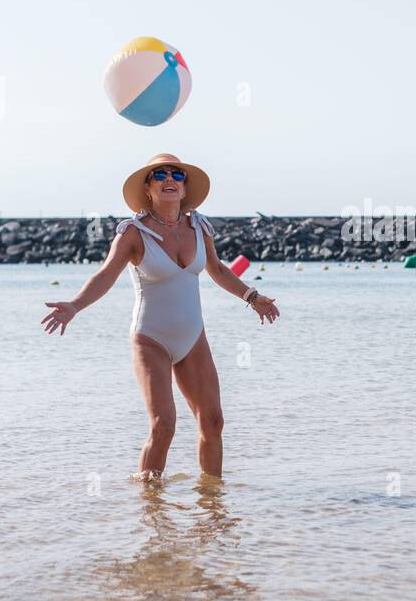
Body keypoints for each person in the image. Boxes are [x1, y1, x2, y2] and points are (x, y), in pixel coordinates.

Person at [41, 153, 280, 480]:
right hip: (150, 339)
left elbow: (218, 270)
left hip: (192, 338)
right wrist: (75, 305)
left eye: (177, 175)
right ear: (148, 188)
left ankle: (212, 504)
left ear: (184, 189)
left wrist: (252, 296)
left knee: (213, 422)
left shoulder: (199, 227)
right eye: (160, 175)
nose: (169, 179)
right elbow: (105, 275)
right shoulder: (133, 233)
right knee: (163, 424)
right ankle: (150, 508)